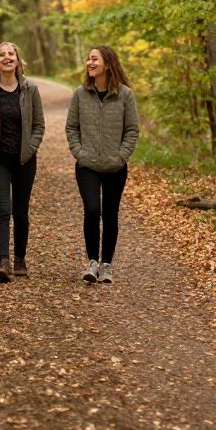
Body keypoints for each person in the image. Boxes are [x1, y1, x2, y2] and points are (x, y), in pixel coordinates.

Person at [65, 45, 139, 284]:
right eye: (88, 59)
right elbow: (71, 128)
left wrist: (121, 157)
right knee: (92, 210)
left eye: (94, 59)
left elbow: (132, 130)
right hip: (87, 165)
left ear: (108, 63)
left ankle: (107, 264)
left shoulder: (125, 94)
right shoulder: (80, 93)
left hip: (115, 166)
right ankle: (92, 262)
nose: (90, 63)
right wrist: (79, 153)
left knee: (110, 213)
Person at [0, 42, 45, 283]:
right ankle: (3, 262)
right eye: (2, 55)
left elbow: (39, 125)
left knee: (21, 212)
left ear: (18, 60)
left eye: (11, 54)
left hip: (25, 160)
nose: (7, 57)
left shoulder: (30, 89)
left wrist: (30, 148)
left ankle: (20, 258)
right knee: (3, 210)